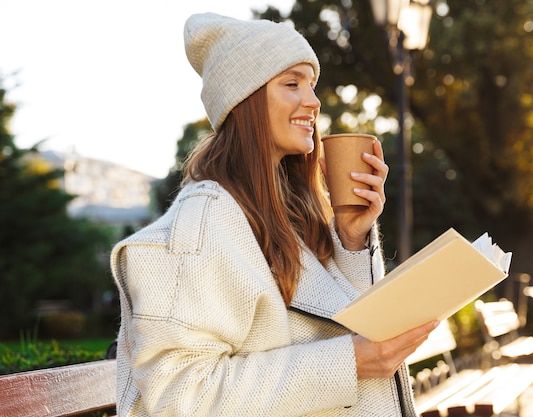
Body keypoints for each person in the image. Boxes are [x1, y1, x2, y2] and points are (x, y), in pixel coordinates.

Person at [110, 12, 438, 417]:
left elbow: (333, 327)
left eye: (312, 85)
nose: (314, 101)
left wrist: (351, 238)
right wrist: (349, 363)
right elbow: (180, 396)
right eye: (291, 84)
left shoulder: (285, 213)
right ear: (244, 99)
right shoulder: (204, 221)